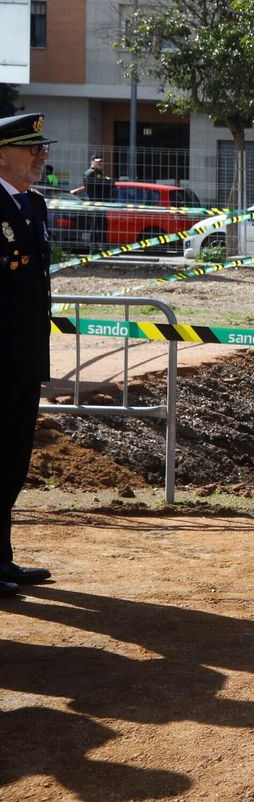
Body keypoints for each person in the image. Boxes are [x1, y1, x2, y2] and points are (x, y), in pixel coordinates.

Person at [0, 113, 57, 596]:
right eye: (30, 148)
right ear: (1, 154)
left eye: (42, 148)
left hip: (22, 359)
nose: (41, 156)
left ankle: (3, 561)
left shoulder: (34, 207)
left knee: (11, 463)